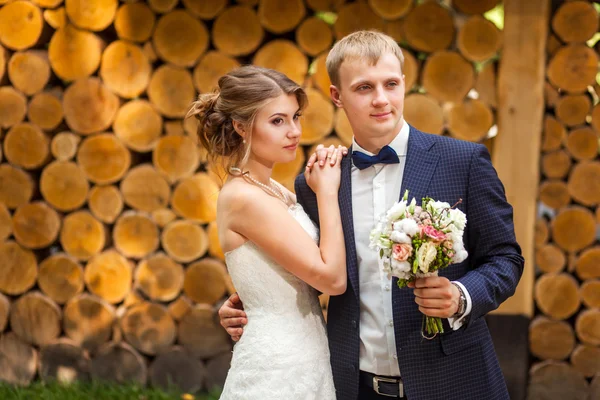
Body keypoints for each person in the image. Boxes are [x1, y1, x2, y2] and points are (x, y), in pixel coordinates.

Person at [219, 31, 525, 400]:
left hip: (452, 380)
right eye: (364, 88)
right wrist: (246, 305)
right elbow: (309, 273)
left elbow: (505, 258)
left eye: (391, 84)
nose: (381, 99)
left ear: (404, 85)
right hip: (353, 386)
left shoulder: (462, 162)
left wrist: (462, 296)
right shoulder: (317, 184)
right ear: (337, 96)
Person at [188, 65, 349, 399]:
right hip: (278, 369)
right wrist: (327, 192)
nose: (294, 132)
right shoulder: (246, 198)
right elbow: (331, 280)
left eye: (295, 117)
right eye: (277, 121)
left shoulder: (269, 188)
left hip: (305, 354)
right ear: (241, 127)